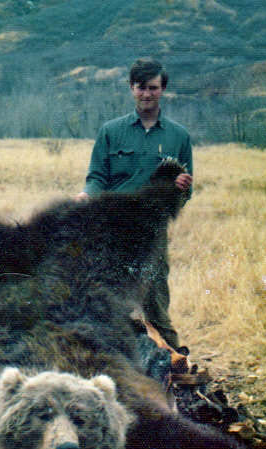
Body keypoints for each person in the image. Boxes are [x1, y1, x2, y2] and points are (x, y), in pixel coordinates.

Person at [76, 58, 193, 351]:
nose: (146, 94)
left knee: (154, 302)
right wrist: (87, 196)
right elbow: (97, 177)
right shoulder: (110, 132)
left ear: (162, 89)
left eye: (153, 88)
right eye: (141, 88)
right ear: (131, 89)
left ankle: (175, 366)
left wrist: (180, 189)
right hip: (111, 228)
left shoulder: (178, 136)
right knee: (107, 299)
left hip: (151, 230)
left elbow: (184, 193)